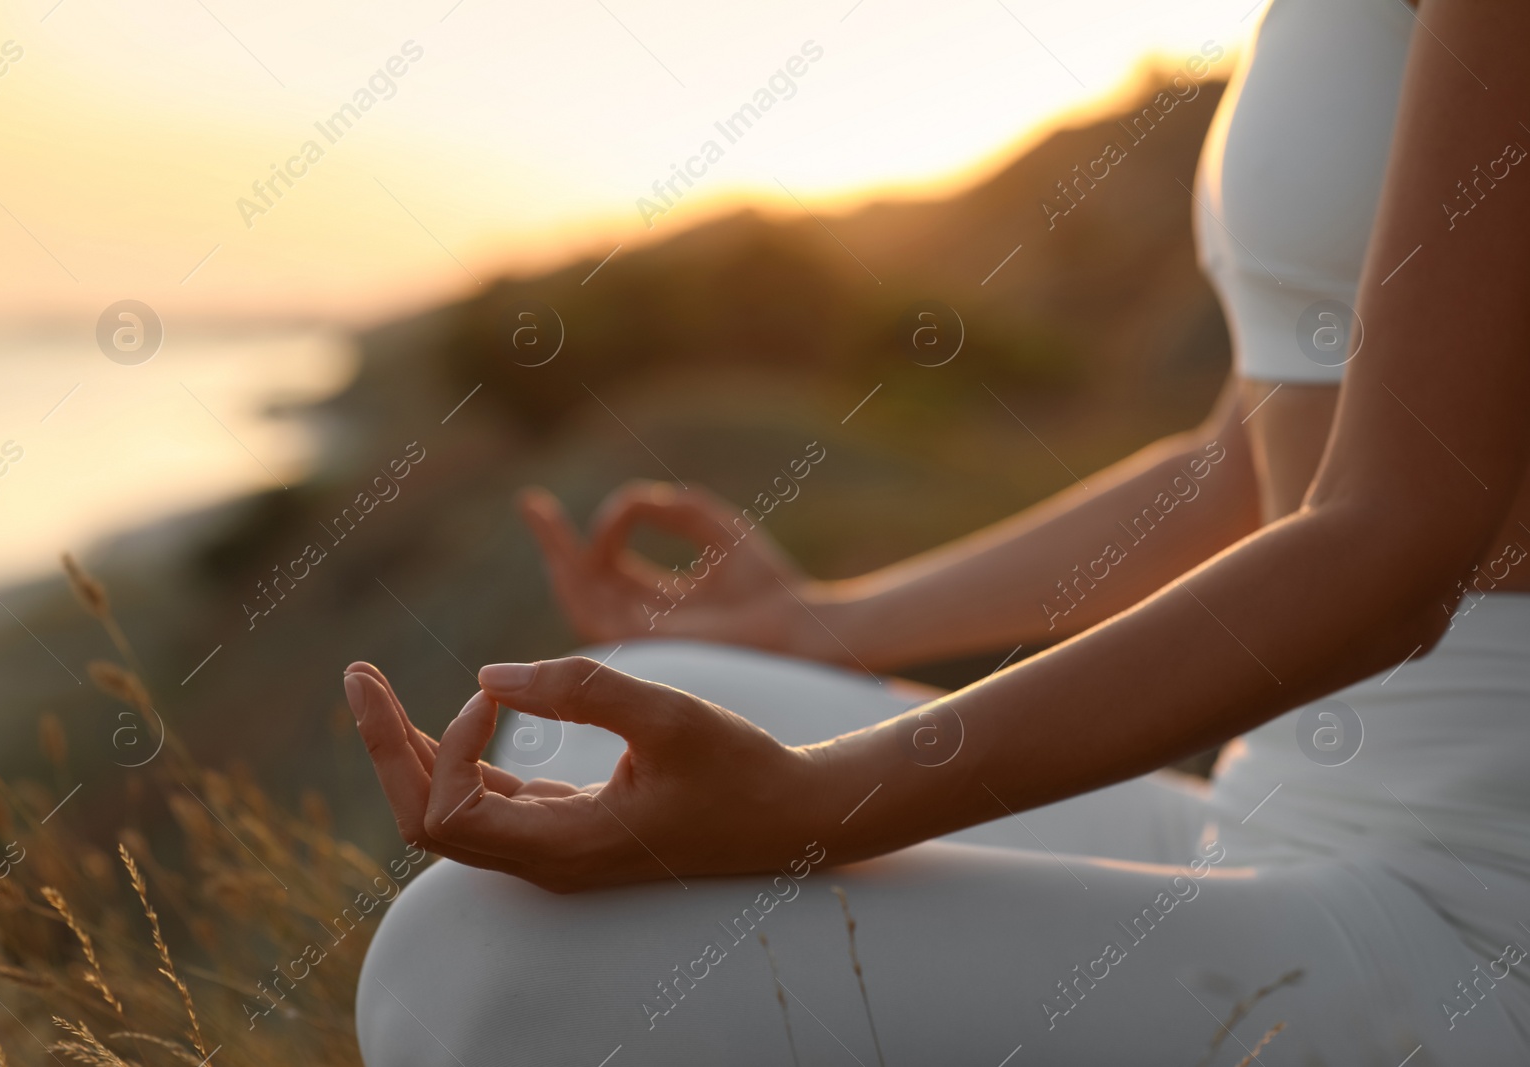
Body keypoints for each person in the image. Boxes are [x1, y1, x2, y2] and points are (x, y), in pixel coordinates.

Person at [350, 0, 1530, 1061]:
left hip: (1476, 902)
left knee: (475, 963)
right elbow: (1243, 465)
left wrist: (814, 804)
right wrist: (818, 623)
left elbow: (1394, 543)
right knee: (598, 722)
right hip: (1268, 798)